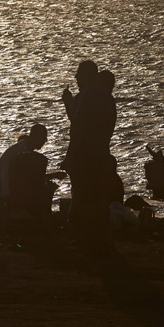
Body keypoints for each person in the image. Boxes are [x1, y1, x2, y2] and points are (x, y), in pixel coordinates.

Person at [61, 60, 115, 250]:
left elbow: (78, 128)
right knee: (96, 196)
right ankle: (99, 236)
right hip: (100, 153)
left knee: (83, 196)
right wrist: (68, 102)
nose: (75, 77)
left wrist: (70, 157)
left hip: (84, 156)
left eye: (79, 73)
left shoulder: (86, 95)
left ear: (87, 75)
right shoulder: (107, 97)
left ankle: (88, 238)